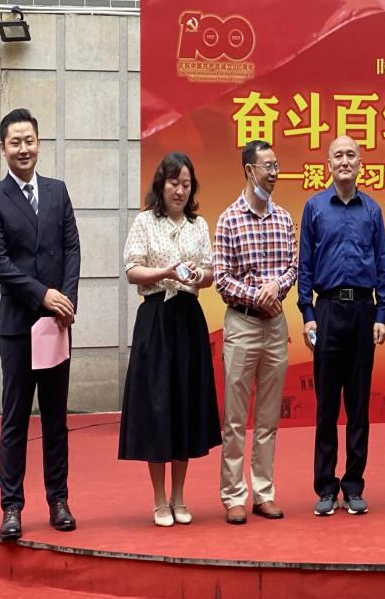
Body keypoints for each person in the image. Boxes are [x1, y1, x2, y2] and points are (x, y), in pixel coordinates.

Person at [0, 108, 80, 540]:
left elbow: (72, 248)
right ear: (3, 148)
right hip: (19, 327)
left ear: (39, 143)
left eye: (30, 140)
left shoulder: (57, 191)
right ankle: (12, 507)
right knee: (17, 420)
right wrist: (43, 295)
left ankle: (59, 500)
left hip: (57, 324)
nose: (24, 149)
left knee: (56, 419)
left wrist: (66, 301)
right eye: (15, 142)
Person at [119, 152, 221, 526]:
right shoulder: (145, 221)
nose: (180, 190)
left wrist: (197, 275)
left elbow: (210, 274)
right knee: (157, 405)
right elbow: (132, 270)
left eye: (186, 184)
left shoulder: (199, 224)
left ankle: (179, 496)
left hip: (188, 320)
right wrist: (167, 271)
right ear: (160, 185)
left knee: (184, 404)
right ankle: (159, 499)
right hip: (155, 318)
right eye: (174, 182)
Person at [298, 135, 385, 517]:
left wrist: (381, 314)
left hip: (363, 313)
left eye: (351, 154)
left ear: (360, 163)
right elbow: (305, 265)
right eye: (338, 155)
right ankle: (325, 487)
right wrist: (307, 314)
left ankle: (353, 486)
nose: (345, 161)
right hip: (327, 311)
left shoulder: (372, 210)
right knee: (326, 407)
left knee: (358, 406)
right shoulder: (315, 207)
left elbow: (382, 263)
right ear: (329, 164)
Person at [213, 140, 298, 525]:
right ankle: (233, 495)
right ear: (249, 170)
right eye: (268, 166)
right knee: (234, 418)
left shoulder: (284, 218)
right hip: (242, 323)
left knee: (268, 417)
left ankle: (263, 492)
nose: (275, 172)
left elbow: (293, 267)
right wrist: (257, 295)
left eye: (276, 165)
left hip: (275, 324)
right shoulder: (228, 219)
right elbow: (221, 278)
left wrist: (276, 288)